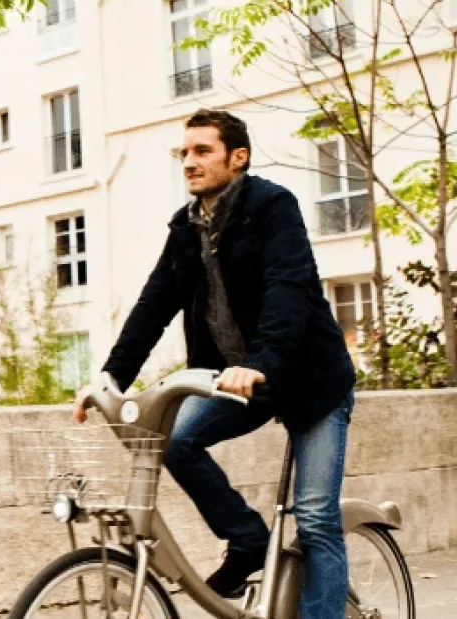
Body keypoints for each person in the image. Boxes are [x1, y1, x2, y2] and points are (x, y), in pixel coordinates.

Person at [74, 109, 356, 619]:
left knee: (314, 520)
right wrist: (109, 378)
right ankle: (248, 539)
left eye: (202, 151)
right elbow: (154, 305)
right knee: (175, 442)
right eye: (184, 152)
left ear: (237, 157)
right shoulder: (186, 227)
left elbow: (287, 290)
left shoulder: (272, 207)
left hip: (309, 380)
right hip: (238, 383)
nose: (189, 161)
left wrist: (261, 361)